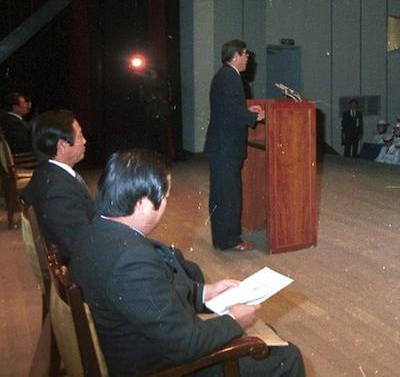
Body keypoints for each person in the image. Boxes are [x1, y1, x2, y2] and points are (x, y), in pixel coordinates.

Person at [70, 150, 304, 377]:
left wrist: (205, 293)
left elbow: (150, 299)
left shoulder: (93, 232)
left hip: (134, 342)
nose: (166, 205)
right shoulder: (131, 261)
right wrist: (234, 321)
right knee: (287, 357)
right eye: (165, 197)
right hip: (158, 366)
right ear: (142, 203)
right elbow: (186, 344)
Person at [204, 39, 265, 251]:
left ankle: (223, 239)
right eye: (246, 54)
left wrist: (250, 110)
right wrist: (256, 117)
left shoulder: (225, 75)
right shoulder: (230, 77)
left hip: (221, 147)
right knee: (227, 196)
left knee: (223, 194)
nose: (249, 58)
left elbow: (229, 107)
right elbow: (232, 112)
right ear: (236, 56)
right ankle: (230, 241)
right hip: (225, 148)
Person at [21, 110, 92, 262]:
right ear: (62, 145)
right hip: (86, 267)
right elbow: (79, 247)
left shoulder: (46, 173)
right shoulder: (57, 191)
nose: (84, 141)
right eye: (80, 136)